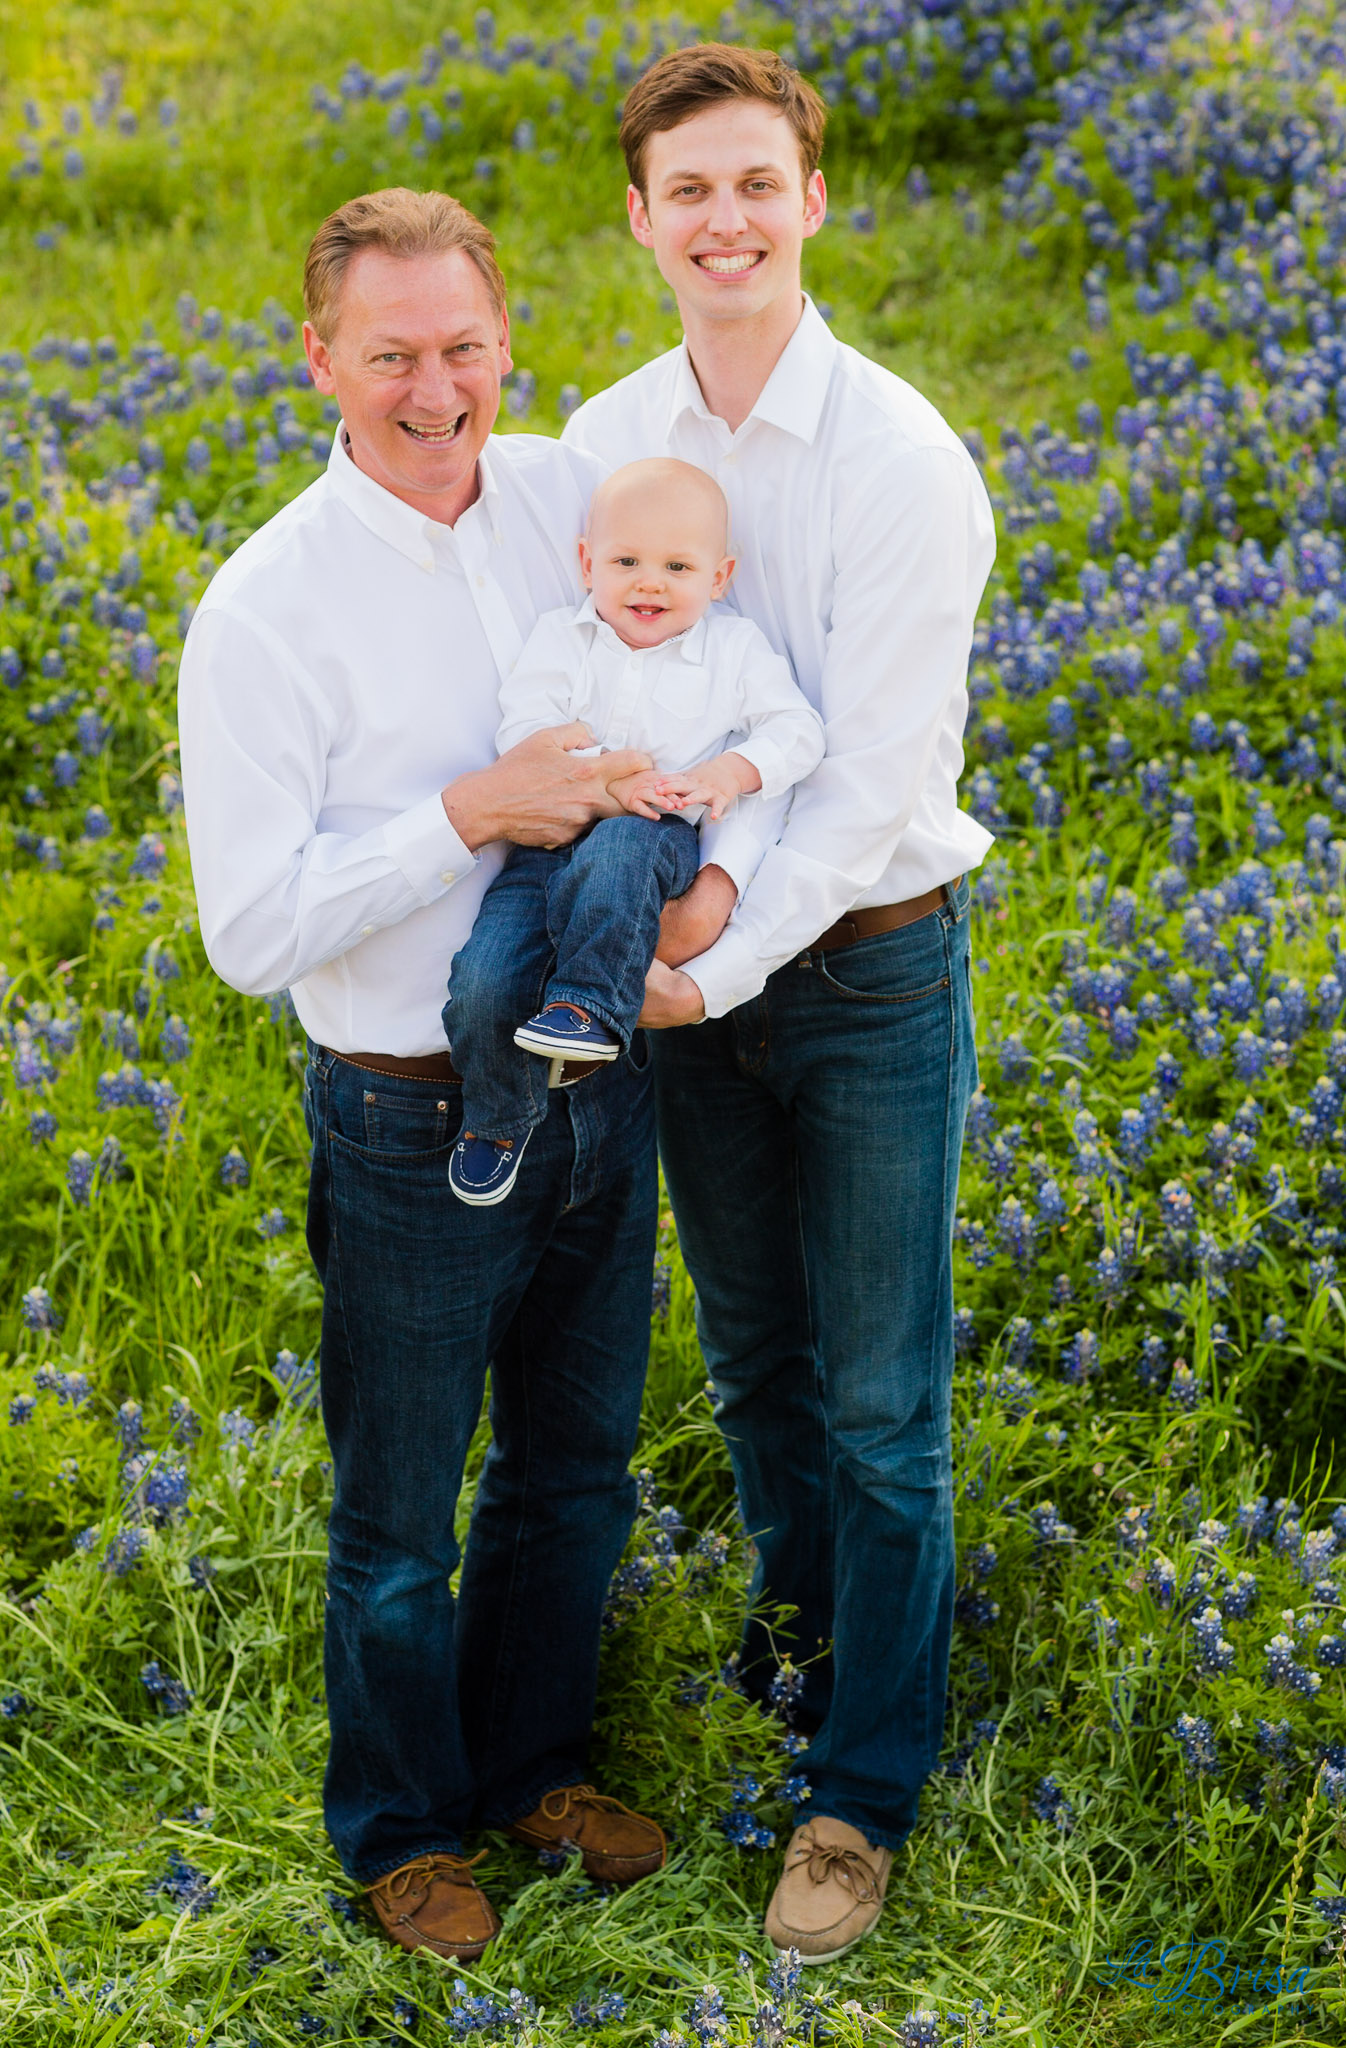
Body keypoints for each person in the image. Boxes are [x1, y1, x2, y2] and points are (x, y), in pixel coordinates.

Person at [177, 187, 671, 1964]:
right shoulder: (266, 608)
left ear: (506, 340)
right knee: (398, 1509)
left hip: (602, 1085)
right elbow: (249, 926)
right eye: (389, 352)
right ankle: (398, 1823)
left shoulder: (564, 501)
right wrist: (467, 815)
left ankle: (534, 1762)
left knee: (576, 1466)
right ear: (318, 359)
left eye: (461, 345)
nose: (434, 385)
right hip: (405, 1111)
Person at [563, 44, 997, 1959]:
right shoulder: (599, 435)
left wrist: (704, 958)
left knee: (887, 1400)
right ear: (642, 221)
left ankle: (861, 1785)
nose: (724, 220)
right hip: (690, 980)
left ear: (813, 201)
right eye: (689, 191)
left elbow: (874, 781)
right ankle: (809, 1633)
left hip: (868, 962)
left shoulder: (902, 458)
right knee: (753, 1361)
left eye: (758, 183)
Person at [442, 455, 824, 1204]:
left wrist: (728, 774)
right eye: (626, 561)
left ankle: (588, 1008)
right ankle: (496, 1120)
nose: (649, 582)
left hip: (653, 839)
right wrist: (597, 772)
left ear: (719, 577)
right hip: (546, 846)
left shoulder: (734, 650)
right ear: (588, 563)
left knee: (620, 849)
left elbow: (797, 731)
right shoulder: (561, 639)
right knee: (483, 980)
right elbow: (524, 724)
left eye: (678, 566)